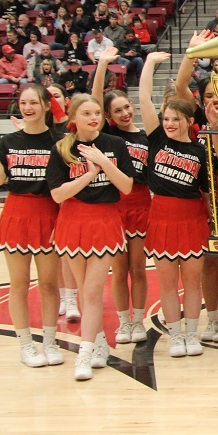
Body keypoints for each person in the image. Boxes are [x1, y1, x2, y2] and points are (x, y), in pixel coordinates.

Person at [0, 85, 63, 368]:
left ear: (46, 106)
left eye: (34, 102)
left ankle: (49, 340)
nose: (27, 107)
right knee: (18, 284)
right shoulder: (8, 141)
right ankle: (25, 344)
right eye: (23, 102)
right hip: (17, 213)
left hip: (49, 212)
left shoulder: (59, 141)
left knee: (48, 284)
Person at [47, 93, 134, 380]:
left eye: (97, 112)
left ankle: (83, 354)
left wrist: (104, 163)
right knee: (85, 289)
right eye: (86, 113)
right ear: (74, 118)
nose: (93, 117)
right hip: (72, 219)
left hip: (104, 220)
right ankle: (97, 342)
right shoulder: (62, 148)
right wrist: (88, 174)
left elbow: (126, 187)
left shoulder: (115, 144)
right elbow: (59, 194)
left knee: (94, 290)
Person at [136, 51, 210, 357]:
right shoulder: (156, 140)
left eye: (175, 119)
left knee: (193, 282)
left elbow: (205, 193)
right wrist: (150, 65)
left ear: (188, 121)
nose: (168, 123)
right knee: (167, 284)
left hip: (192, 217)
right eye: (166, 118)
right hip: (161, 215)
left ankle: (192, 334)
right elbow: (143, 100)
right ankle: (175, 335)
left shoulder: (199, 150)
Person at [91, 49, 150, 347]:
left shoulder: (146, 136)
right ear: (108, 117)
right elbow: (92, 102)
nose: (126, 113)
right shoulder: (107, 138)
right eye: (118, 111)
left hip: (141, 204)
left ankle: (138, 320)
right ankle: (123, 321)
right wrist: (102, 65)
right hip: (115, 207)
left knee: (138, 268)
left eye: (127, 107)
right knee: (119, 271)